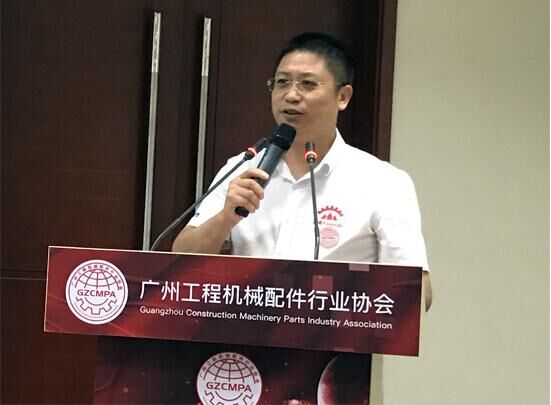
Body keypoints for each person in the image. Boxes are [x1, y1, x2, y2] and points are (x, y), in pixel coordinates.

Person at [172, 32, 432, 310]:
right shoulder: (243, 168)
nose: (291, 95)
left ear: (343, 97)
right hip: (247, 332)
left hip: (334, 335)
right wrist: (225, 218)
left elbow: (418, 294)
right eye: (282, 82)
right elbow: (179, 261)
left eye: (307, 84)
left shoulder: (384, 182)